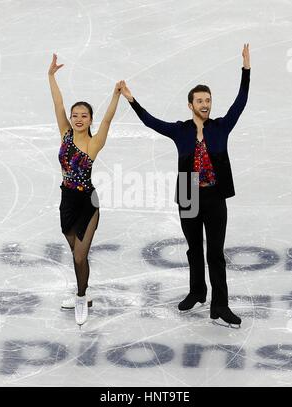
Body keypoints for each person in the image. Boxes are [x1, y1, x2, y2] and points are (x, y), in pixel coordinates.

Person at [120, 44, 251, 327]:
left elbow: (240, 102)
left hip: (215, 196)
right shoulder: (180, 130)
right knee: (194, 249)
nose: (205, 104)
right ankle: (197, 291)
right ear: (190, 105)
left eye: (208, 100)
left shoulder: (221, 127)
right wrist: (131, 100)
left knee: (215, 253)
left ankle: (220, 306)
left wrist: (246, 70)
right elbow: (150, 122)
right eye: (200, 100)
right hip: (189, 195)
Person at [48, 53, 123, 326]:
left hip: (87, 202)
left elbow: (108, 121)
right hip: (66, 200)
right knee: (77, 256)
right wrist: (51, 76)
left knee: (80, 255)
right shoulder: (65, 135)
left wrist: (115, 95)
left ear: (90, 120)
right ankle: (85, 291)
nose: (78, 118)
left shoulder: (93, 144)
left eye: (84, 115)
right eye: (75, 115)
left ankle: (81, 297)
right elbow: (58, 102)